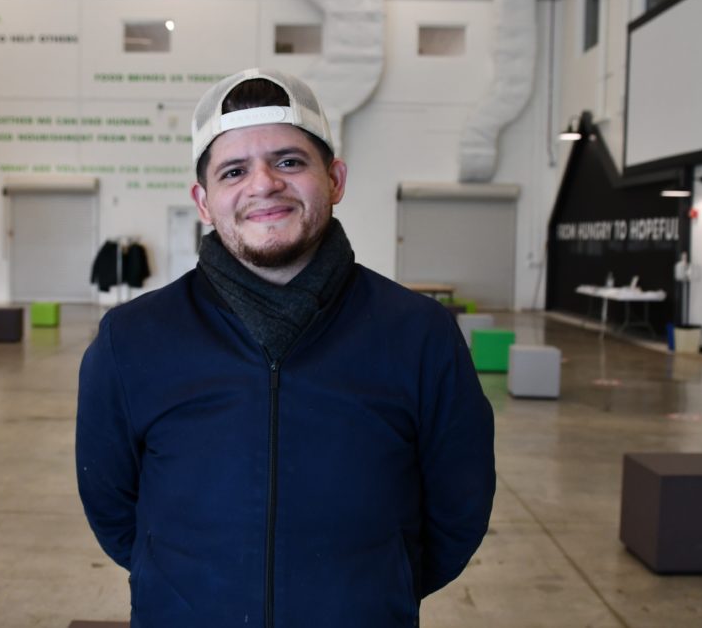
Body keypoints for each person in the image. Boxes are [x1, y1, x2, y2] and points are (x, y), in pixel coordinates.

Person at [76, 68, 495, 628]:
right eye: (233, 170)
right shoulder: (131, 340)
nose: (263, 183)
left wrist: (371, 590)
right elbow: (112, 508)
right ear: (204, 201)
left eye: (289, 161)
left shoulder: (419, 333)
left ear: (336, 179)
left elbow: (458, 507)